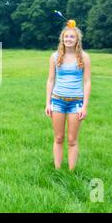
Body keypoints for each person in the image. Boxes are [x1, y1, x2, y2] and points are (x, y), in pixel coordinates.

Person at [45, 21, 91, 171]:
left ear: (77, 39)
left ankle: (71, 173)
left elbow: (87, 82)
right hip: (57, 101)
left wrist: (84, 106)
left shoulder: (84, 57)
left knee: (72, 140)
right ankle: (58, 170)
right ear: (62, 39)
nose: (69, 39)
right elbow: (50, 80)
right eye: (66, 36)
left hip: (76, 103)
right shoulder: (55, 56)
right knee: (58, 138)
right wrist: (48, 103)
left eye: (72, 37)